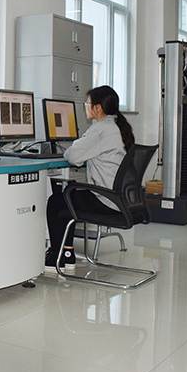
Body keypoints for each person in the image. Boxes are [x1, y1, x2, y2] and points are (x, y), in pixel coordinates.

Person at [45, 85, 134, 269]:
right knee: (68, 197)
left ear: (98, 108)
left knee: (56, 201)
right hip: (122, 198)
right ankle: (67, 253)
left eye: (87, 103)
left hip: (107, 199)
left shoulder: (100, 130)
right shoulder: (118, 127)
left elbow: (73, 156)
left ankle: (56, 258)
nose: (86, 106)